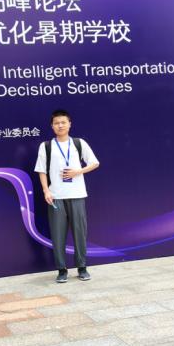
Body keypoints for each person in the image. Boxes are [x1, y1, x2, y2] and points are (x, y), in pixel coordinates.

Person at [34, 109, 100, 283]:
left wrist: (78, 171)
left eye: (63, 122)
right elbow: (41, 170)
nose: (60, 125)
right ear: (52, 126)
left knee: (80, 233)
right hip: (56, 196)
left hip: (77, 194)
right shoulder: (46, 146)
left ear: (70, 124)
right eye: (56, 123)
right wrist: (46, 191)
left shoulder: (79, 143)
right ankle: (61, 269)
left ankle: (82, 267)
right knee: (58, 234)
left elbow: (95, 163)